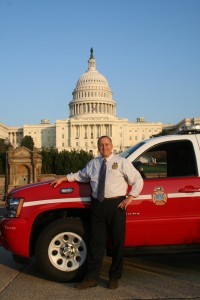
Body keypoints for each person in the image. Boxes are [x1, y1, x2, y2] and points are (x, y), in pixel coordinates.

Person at [50, 136, 144, 289]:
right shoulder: (93, 163)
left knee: (117, 242)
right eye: (101, 145)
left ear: (112, 146)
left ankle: (114, 277)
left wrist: (130, 198)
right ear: (98, 147)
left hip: (116, 205)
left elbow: (137, 180)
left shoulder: (122, 162)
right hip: (97, 206)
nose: (104, 147)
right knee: (96, 243)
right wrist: (64, 178)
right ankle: (91, 278)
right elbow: (80, 175)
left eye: (107, 144)